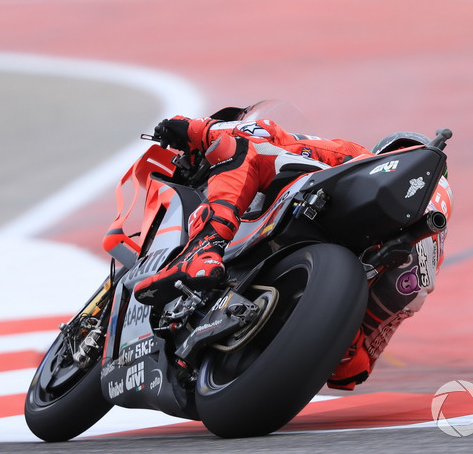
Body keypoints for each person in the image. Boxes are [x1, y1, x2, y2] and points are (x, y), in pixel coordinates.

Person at [133, 112, 453, 391]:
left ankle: (204, 248)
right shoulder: (426, 259)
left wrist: (195, 129)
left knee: (249, 147)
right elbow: (349, 373)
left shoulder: (357, 156)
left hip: (329, 244)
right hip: (378, 278)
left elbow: (265, 132)